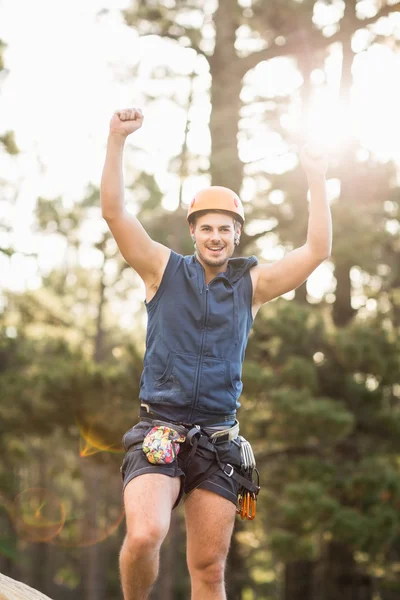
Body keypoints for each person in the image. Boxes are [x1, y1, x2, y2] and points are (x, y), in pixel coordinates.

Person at [100, 107, 332, 600]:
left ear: (236, 235)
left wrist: (315, 177)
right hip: (159, 428)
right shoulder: (161, 270)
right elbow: (115, 213)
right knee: (144, 535)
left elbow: (316, 251)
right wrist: (117, 140)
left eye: (225, 229)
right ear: (194, 232)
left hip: (219, 443)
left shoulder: (254, 285)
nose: (216, 237)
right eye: (207, 228)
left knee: (209, 569)